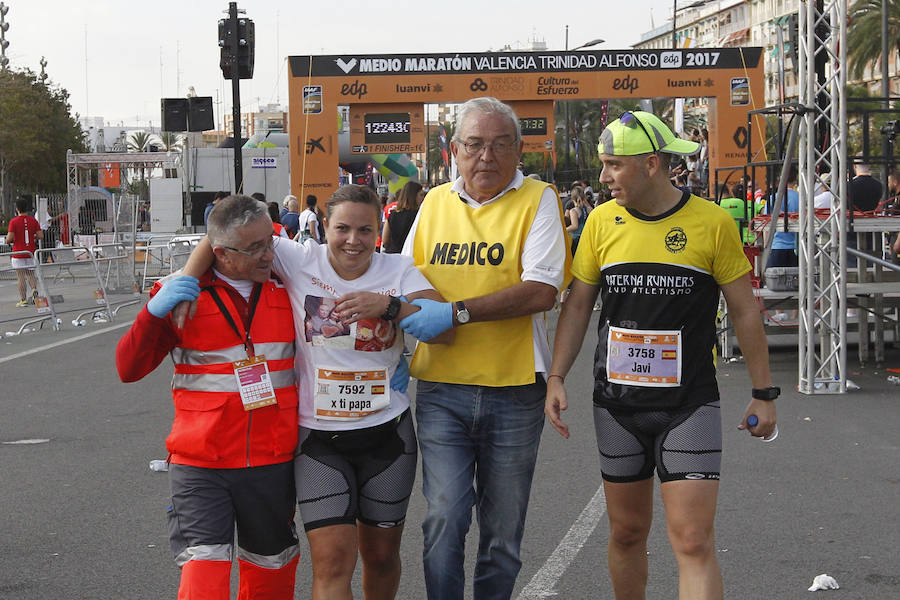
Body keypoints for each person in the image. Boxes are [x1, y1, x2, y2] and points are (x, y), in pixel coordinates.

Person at [178, 185, 451, 600]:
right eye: (342, 228)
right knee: (331, 561)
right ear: (324, 227)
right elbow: (219, 238)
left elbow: (444, 327)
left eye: (365, 229)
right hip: (319, 439)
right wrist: (185, 281)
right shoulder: (298, 258)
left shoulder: (400, 269)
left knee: (379, 558)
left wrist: (390, 307)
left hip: (387, 434)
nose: (353, 241)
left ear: (379, 230)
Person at [545, 111, 777, 600]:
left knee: (692, 540)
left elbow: (744, 311)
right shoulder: (601, 222)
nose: (603, 177)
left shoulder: (711, 222)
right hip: (617, 406)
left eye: (612, 165)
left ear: (651, 164)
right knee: (627, 533)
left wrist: (763, 393)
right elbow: (579, 303)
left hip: (688, 404)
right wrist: (556, 376)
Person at [397, 96, 570, 600]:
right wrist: (420, 305)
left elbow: (542, 289)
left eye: (500, 145)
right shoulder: (432, 203)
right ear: (455, 149)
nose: (486, 157)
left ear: (520, 150)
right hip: (442, 387)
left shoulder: (539, 199)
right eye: (474, 145)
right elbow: (405, 276)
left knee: (502, 534)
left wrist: (455, 312)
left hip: (514, 390)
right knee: (444, 516)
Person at [116, 195, 301, 599]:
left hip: (271, 463)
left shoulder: (289, 283)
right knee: (204, 574)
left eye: (270, 242)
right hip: (201, 464)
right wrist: (153, 314)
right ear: (221, 252)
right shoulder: (181, 296)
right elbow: (128, 368)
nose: (269, 254)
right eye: (255, 249)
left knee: (272, 572)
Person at [7, 197, 43, 307]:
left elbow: (9, 238)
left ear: (17, 208)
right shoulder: (33, 220)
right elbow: (41, 235)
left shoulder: (13, 221)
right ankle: (34, 291)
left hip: (18, 252)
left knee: (21, 276)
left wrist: (8, 240)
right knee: (31, 274)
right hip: (30, 252)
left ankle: (23, 299)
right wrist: (33, 236)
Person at [763, 167, 800, 269]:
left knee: (774, 280)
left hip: (777, 246)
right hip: (797, 248)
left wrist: (766, 246)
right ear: (795, 179)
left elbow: (767, 224)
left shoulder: (773, 198)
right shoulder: (801, 198)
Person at [381, 181, 424, 254]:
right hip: (412, 255)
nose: (423, 198)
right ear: (413, 196)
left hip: (393, 255)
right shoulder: (420, 215)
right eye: (421, 195)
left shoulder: (393, 214)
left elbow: (385, 240)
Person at [566, 185, 591, 255]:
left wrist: (564, 230)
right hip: (585, 237)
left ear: (572, 198)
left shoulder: (573, 211)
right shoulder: (586, 209)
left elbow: (575, 226)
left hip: (576, 239)